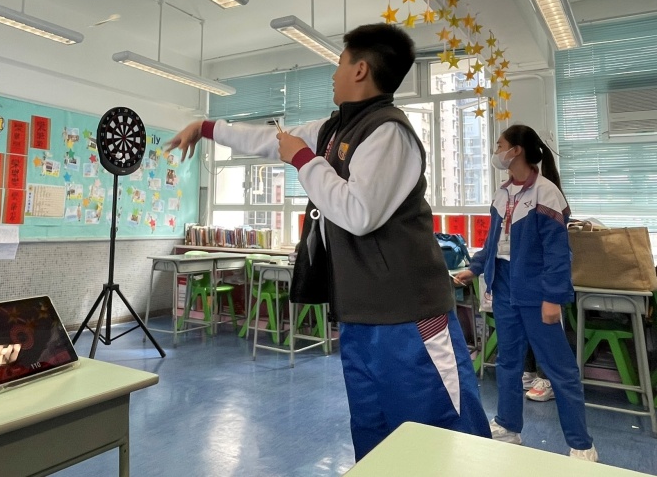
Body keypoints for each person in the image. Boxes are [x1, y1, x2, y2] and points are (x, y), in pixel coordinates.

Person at [167, 23, 490, 460]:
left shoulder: (389, 132)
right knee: (375, 439)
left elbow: (358, 213)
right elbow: (271, 141)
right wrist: (207, 127)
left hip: (409, 320)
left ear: (360, 69)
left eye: (339, 63)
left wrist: (303, 160)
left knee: (439, 441)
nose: (333, 74)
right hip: (360, 316)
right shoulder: (335, 129)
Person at [454, 124, 597, 461]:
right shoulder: (502, 194)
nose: (496, 151)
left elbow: (558, 253)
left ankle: (581, 444)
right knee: (508, 362)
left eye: (499, 145)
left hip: (536, 291)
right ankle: (508, 426)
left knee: (559, 369)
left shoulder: (546, 193)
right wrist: (476, 267)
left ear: (516, 150)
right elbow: (493, 242)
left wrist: (553, 297)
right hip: (504, 286)